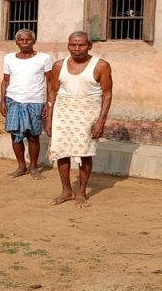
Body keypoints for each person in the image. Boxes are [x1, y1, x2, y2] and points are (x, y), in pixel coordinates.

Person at [44, 31, 113, 206]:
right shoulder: (59, 65)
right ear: (68, 46)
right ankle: (66, 191)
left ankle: (81, 192)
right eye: (73, 45)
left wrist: (101, 121)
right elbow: (53, 92)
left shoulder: (101, 66)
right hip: (63, 113)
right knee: (61, 151)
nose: (76, 48)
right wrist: (49, 118)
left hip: (88, 115)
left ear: (89, 46)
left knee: (85, 152)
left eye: (81, 45)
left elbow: (107, 94)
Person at [0, 29, 54, 179]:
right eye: (21, 40)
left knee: (33, 136)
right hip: (14, 100)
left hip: (35, 101)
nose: (24, 42)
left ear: (34, 41)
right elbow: (5, 81)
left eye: (28, 39)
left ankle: (33, 167)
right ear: (16, 42)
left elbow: (50, 82)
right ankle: (21, 166)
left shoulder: (44, 58)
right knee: (15, 135)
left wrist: (48, 104)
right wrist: (2, 100)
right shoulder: (9, 58)